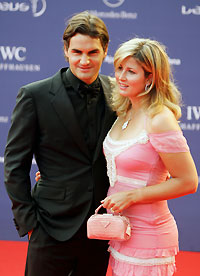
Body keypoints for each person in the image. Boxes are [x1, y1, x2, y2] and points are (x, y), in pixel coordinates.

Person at [4, 11, 116, 276]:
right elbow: (14, 165)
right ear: (66, 50)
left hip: (99, 227)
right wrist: (29, 222)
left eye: (92, 52)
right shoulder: (35, 95)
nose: (84, 60)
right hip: (49, 225)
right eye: (77, 52)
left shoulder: (118, 93)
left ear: (105, 51)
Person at [100, 38, 198, 276]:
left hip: (149, 236)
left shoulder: (160, 118)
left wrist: (134, 195)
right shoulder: (125, 111)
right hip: (120, 232)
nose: (121, 76)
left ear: (150, 78)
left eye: (131, 71)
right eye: (119, 68)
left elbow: (189, 181)